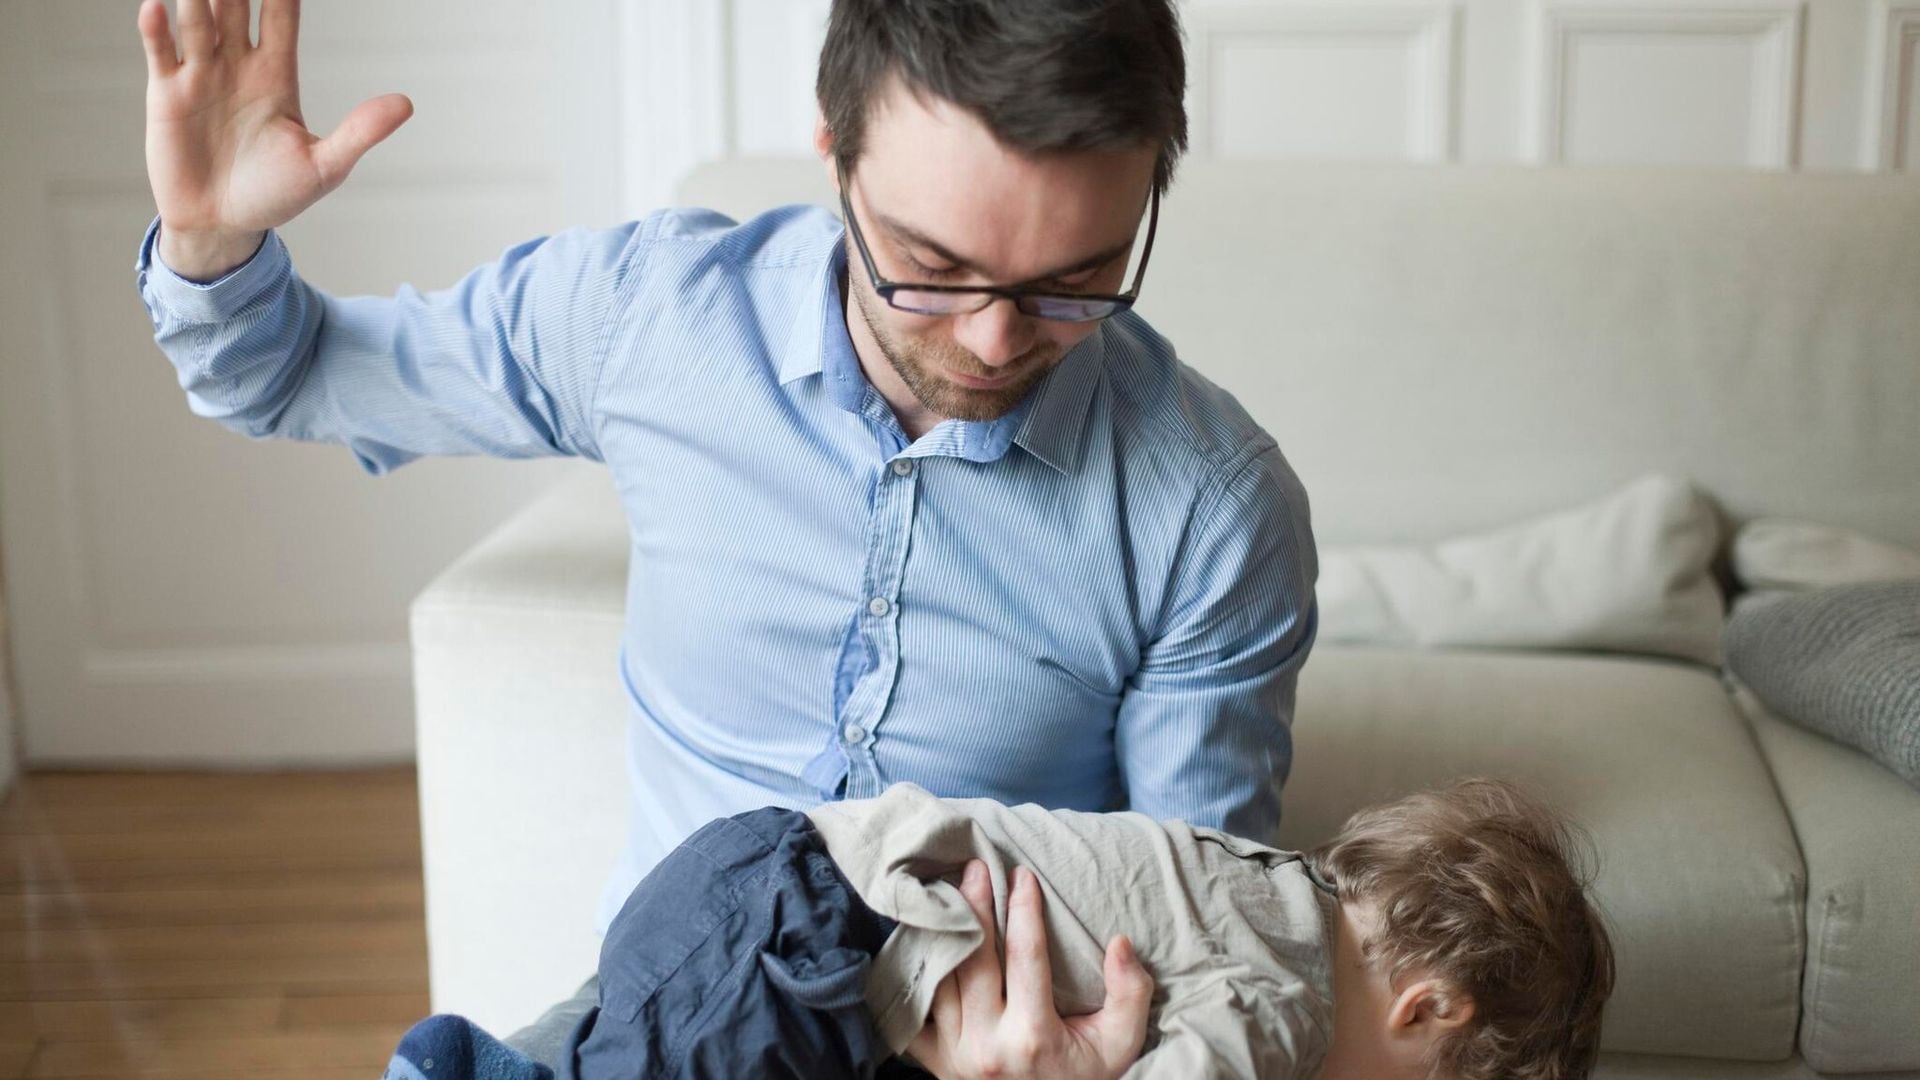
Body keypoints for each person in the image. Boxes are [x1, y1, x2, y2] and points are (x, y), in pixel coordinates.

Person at [134, 1, 1317, 1074]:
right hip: (659, 1019)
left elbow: (1204, 920)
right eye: (930, 267)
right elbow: (289, 376)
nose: (997, 339)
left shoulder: (1214, 511)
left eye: (1076, 279)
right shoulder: (649, 319)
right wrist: (211, 243)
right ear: (833, 146)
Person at [382, 777, 1616, 1079]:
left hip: (765, 876)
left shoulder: (1271, 888)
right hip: (810, 942)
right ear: (1429, 1011)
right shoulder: (1283, 1004)